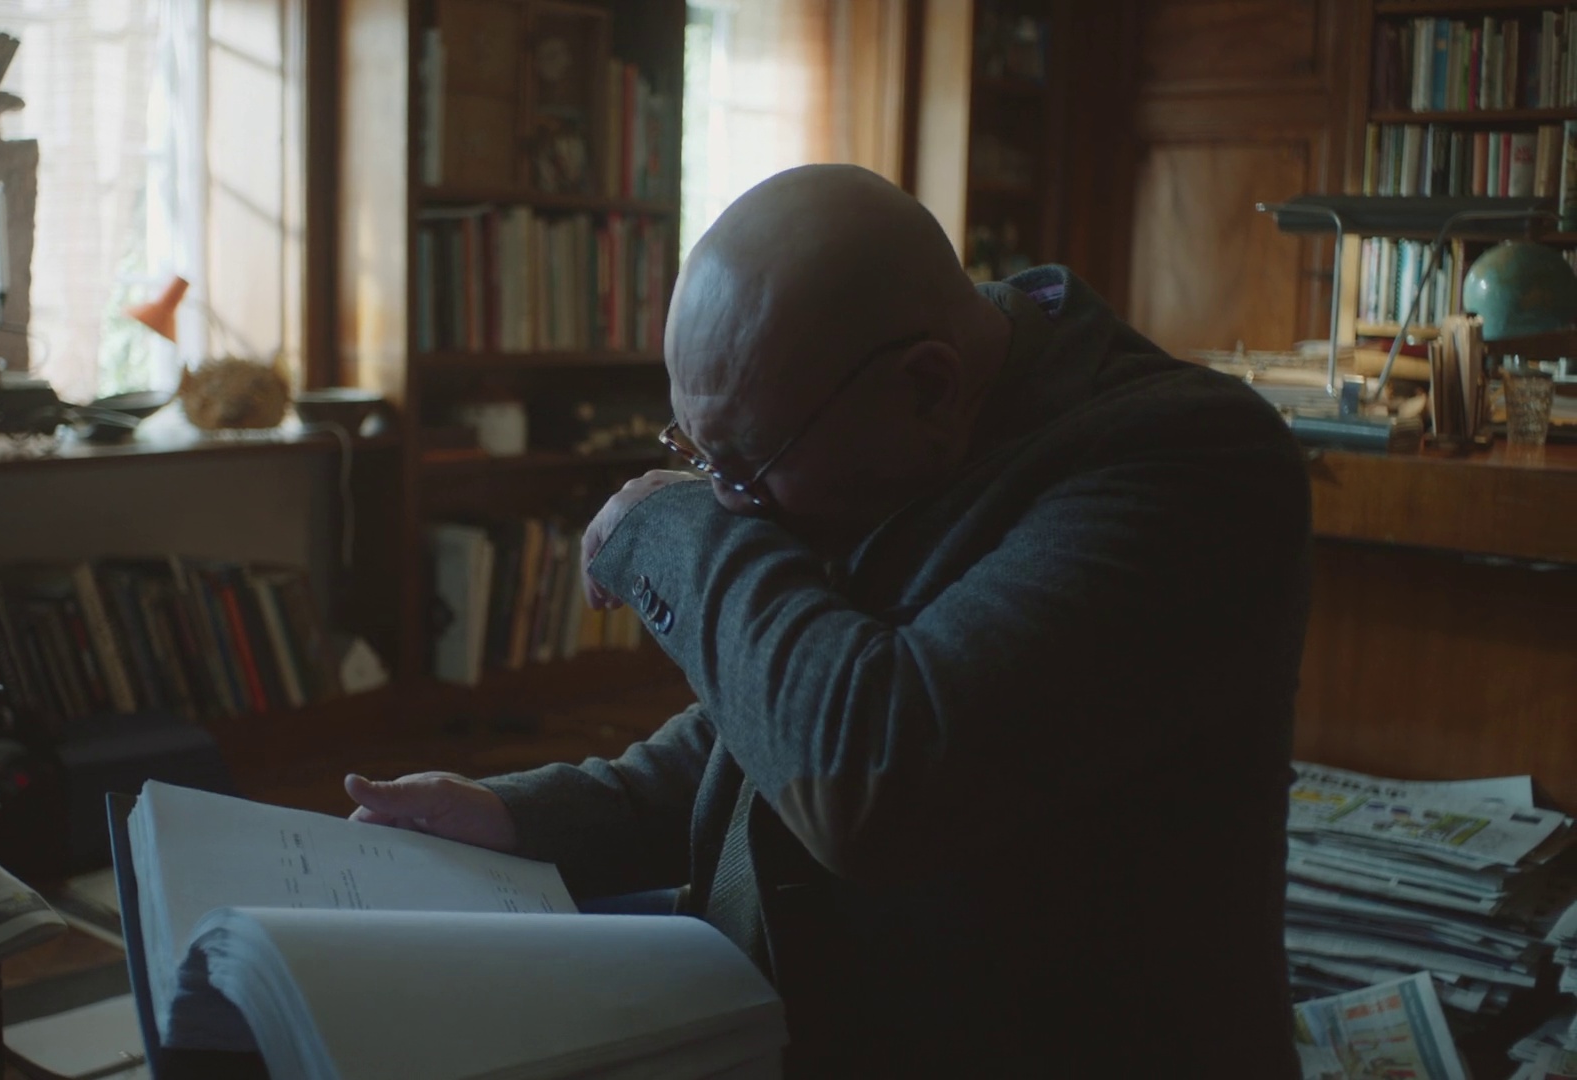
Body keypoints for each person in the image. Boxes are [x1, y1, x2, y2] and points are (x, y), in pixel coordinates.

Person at [346, 164, 1310, 1076]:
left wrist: (677, 527)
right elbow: (765, 731)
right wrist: (518, 816)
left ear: (928, 386)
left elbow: (874, 768)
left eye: (742, 465)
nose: (733, 502)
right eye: (699, 458)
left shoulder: (1190, 464)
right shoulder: (901, 419)